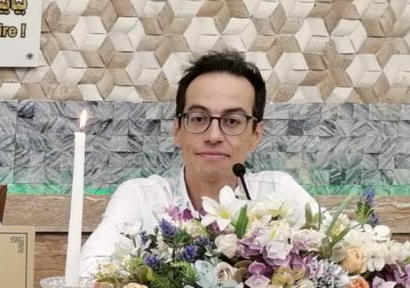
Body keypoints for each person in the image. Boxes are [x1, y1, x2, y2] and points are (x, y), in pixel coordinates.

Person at [80, 49, 316, 275]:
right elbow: (90, 272)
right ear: (177, 130)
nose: (213, 136)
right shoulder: (141, 198)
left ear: (255, 134)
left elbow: (336, 257)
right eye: (199, 118)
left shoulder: (278, 194)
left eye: (232, 121)